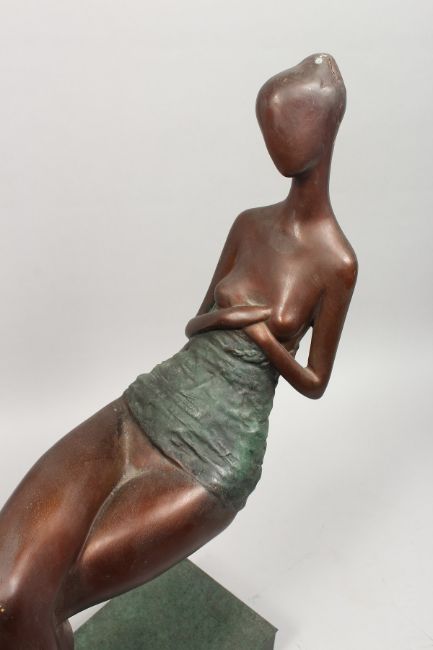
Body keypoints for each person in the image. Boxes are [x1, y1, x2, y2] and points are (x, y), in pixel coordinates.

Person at [0, 53, 357, 649]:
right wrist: (233, 316)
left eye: (287, 125)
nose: (275, 141)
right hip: (149, 403)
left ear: (323, 129)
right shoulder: (249, 224)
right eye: (269, 126)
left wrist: (263, 339)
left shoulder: (336, 262)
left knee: (42, 598)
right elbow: (197, 322)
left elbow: (316, 381)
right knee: (9, 591)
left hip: (214, 453)